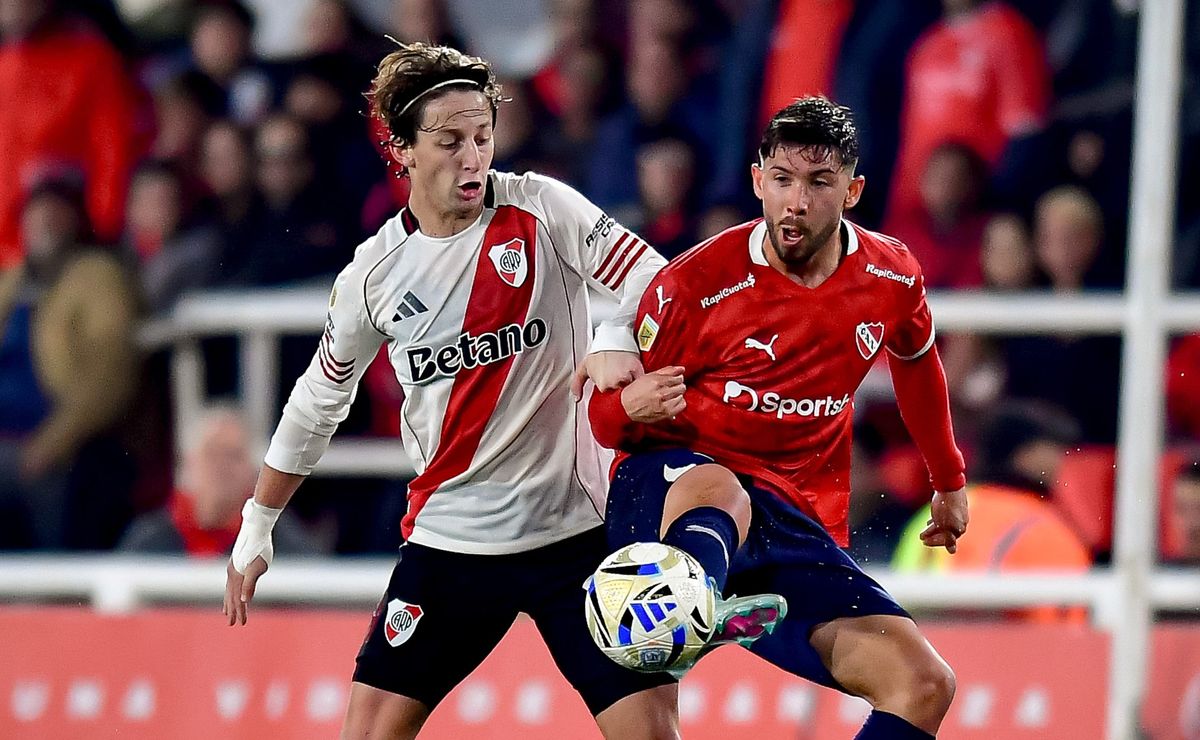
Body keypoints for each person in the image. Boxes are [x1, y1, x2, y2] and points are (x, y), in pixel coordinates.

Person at [221, 42, 679, 740]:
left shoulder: (543, 208)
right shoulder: (374, 275)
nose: (473, 159)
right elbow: (317, 402)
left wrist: (614, 335)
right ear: (401, 149)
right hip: (453, 540)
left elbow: (656, 279)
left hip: (577, 535)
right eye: (450, 142)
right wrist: (258, 521)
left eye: (483, 137)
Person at [590, 96, 967, 739]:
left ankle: (699, 608)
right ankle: (686, 602)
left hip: (790, 515)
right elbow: (606, 423)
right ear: (758, 181)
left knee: (924, 684)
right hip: (672, 491)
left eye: (818, 183)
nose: (796, 202)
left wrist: (948, 479)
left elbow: (916, 361)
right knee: (723, 489)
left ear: (852, 191)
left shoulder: (891, 275)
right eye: (783, 180)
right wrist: (626, 402)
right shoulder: (698, 284)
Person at [119, 405, 316, 556]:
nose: (223, 467)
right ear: (189, 463)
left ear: (255, 471)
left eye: (234, 456)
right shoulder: (148, 541)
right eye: (212, 453)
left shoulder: (281, 541)